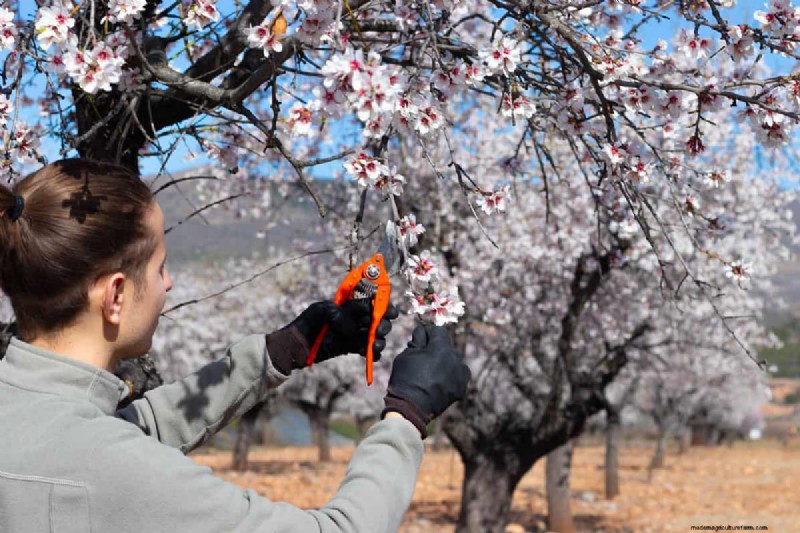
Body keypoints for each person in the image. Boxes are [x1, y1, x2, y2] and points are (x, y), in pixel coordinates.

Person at [0, 159, 471, 533]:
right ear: (116, 296)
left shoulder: (33, 416)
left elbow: (137, 429)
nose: (169, 283)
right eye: (160, 267)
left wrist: (286, 349)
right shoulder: (111, 467)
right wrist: (407, 414)